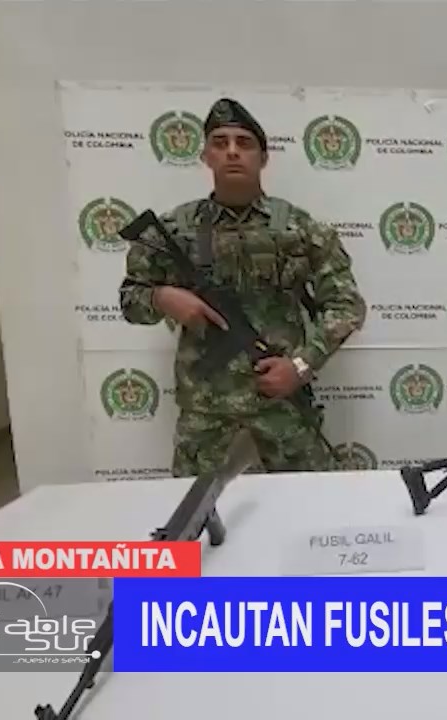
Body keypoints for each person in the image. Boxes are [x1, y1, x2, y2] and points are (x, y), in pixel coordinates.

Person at [120, 98, 367, 475]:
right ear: (205, 156)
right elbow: (130, 300)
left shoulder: (301, 229)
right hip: (206, 409)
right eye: (220, 143)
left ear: (263, 158)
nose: (232, 152)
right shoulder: (173, 231)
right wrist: (162, 297)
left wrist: (301, 365)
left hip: (282, 401)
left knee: (311, 502)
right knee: (197, 505)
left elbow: (346, 306)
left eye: (245, 143)